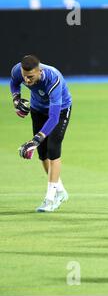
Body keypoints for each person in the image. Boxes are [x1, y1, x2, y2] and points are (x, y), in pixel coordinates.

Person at [10, 55, 71, 212]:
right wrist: (16, 100)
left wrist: (36, 139)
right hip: (37, 109)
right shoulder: (19, 70)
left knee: (53, 150)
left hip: (60, 111)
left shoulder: (53, 79)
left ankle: (50, 199)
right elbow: (14, 83)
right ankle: (60, 191)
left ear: (40, 71)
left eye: (31, 77)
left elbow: (54, 117)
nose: (27, 81)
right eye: (25, 77)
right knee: (42, 154)